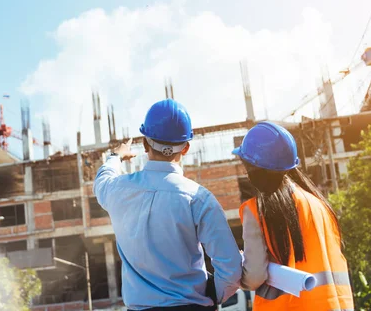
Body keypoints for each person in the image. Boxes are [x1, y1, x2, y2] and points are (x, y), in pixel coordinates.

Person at [94, 99, 242, 311]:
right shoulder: (198, 198)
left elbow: (102, 179)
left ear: (145, 144)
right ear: (186, 148)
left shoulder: (116, 190)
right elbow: (231, 268)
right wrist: (212, 296)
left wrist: (116, 156)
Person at [233, 121, 354, 310]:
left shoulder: (257, 210)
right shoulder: (319, 205)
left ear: (254, 166)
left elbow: (254, 277)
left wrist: (238, 268)